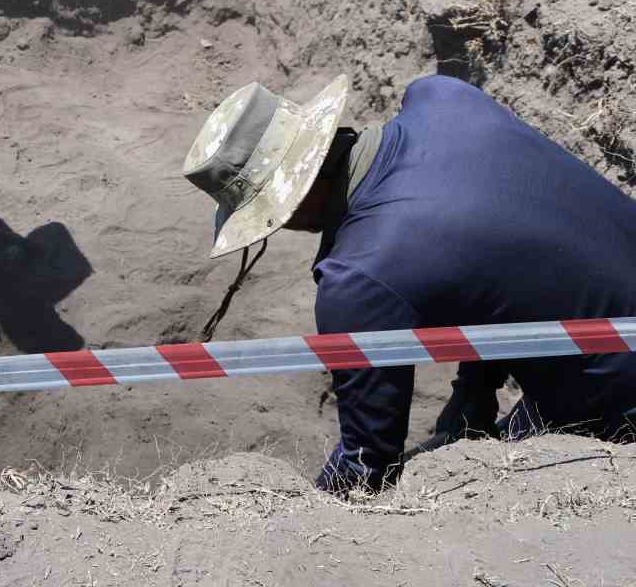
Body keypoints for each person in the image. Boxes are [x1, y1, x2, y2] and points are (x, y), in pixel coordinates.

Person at [181, 73, 636, 494]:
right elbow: (503, 252)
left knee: (479, 481)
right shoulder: (443, 96)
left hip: (621, 392)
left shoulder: (358, 276)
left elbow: (367, 464)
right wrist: (473, 392)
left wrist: (308, 516)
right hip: (615, 325)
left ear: (294, 197)